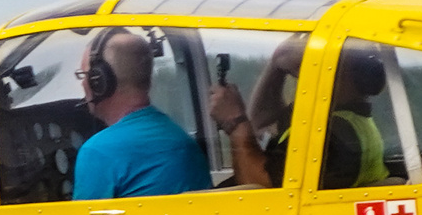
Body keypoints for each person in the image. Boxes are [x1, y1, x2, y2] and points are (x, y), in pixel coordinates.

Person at [208, 36, 389, 189]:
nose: (303, 71)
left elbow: (261, 186)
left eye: (315, 62)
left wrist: (235, 122)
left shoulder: (333, 131)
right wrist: (277, 65)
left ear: (339, 71)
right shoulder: (333, 115)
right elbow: (261, 120)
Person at [71, 28, 211, 199]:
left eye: (84, 75)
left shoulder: (98, 152)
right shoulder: (182, 140)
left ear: (99, 81)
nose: (82, 84)